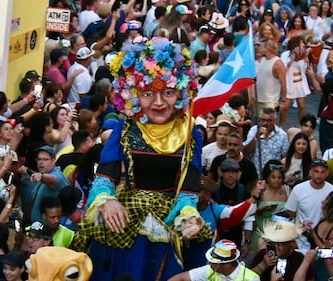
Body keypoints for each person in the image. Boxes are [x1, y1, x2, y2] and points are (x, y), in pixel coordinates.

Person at [72, 37, 209, 281]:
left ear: (180, 92)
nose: (158, 102)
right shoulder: (125, 127)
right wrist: (107, 200)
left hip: (169, 216)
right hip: (127, 212)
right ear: (133, 92)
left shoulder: (191, 134)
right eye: (147, 93)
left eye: (168, 92)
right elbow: (104, 178)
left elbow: (188, 192)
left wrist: (189, 215)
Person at [285, 159, 333, 252]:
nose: (319, 175)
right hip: (301, 241)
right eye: (316, 171)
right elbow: (290, 211)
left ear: (327, 173)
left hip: (323, 239)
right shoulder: (298, 189)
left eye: (322, 172)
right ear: (310, 172)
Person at [18, 145, 68, 225]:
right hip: (35, 228)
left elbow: (52, 179)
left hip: (50, 229)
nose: (41, 162)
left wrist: (41, 176)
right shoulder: (43, 175)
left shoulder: (58, 175)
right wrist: (27, 171)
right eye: (39, 159)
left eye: (45, 159)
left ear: (53, 161)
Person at [250, 220, 315, 281]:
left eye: (280, 243)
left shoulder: (299, 258)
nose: (275, 246)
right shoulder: (262, 255)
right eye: (272, 242)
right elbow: (247, 278)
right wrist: (263, 265)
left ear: (290, 243)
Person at [168, 239, 260, 281]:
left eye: (214, 262)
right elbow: (181, 278)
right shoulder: (210, 270)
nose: (210, 263)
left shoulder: (251, 279)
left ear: (226, 264)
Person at [244, 107, 289, 176]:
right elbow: (246, 152)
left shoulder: (282, 135)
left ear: (274, 121)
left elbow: (285, 156)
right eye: (263, 120)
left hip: (272, 175)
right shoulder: (254, 130)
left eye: (269, 121)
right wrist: (256, 137)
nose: (265, 123)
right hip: (255, 174)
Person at [255, 40, 287, 116]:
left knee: (268, 123)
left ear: (267, 48)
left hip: (270, 101)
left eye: (262, 47)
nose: (260, 49)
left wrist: (283, 100)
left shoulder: (278, 63)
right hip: (259, 99)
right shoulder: (262, 60)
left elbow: (283, 83)